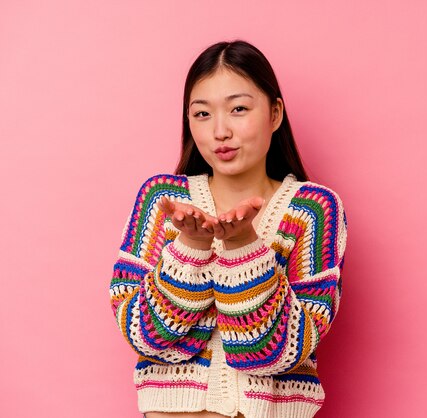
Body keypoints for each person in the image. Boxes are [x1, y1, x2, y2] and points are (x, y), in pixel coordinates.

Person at [109, 40, 348, 418]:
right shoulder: (161, 200)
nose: (220, 131)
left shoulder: (313, 210)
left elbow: (279, 350)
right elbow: (144, 335)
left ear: (274, 113)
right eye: (202, 114)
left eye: (238, 109)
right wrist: (190, 246)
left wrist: (243, 247)